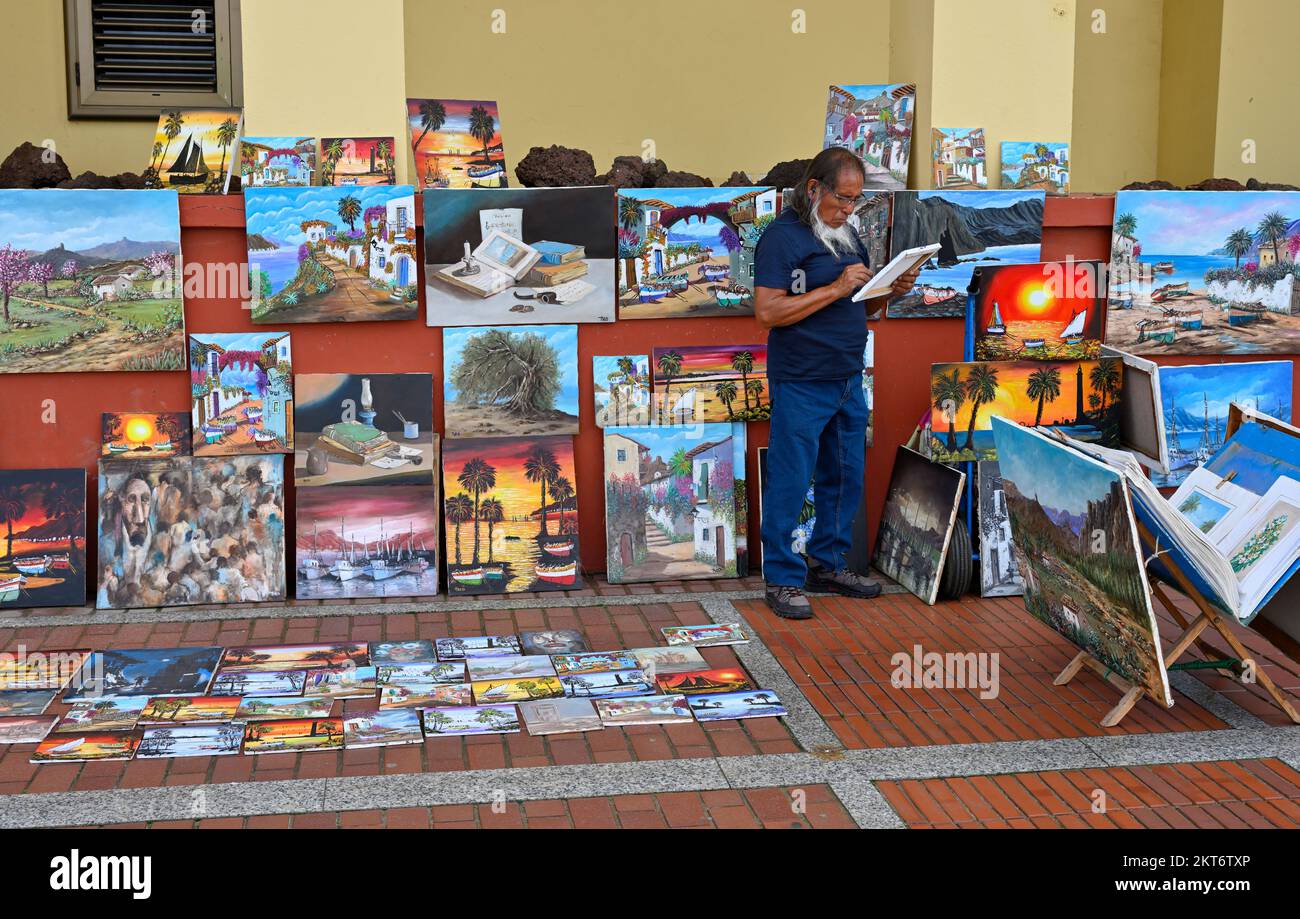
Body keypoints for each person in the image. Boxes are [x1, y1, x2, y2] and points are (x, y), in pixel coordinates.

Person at [754, 147, 919, 619]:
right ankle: (783, 579)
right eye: (843, 199)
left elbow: (857, 306)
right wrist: (835, 289)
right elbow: (767, 312)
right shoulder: (782, 238)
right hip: (802, 379)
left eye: (856, 200)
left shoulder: (847, 237)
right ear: (814, 189)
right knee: (791, 478)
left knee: (844, 476)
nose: (849, 208)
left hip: (848, 376)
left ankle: (826, 564)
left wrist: (887, 291)